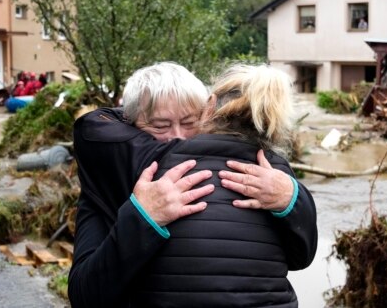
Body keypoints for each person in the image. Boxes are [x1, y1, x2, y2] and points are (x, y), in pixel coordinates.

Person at [69, 62, 317, 307]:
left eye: (189, 123)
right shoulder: (113, 173)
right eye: (159, 126)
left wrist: (291, 198)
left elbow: (298, 257)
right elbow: (85, 295)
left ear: (209, 111)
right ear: (128, 126)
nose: (177, 136)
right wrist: (142, 218)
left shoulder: (269, 177)